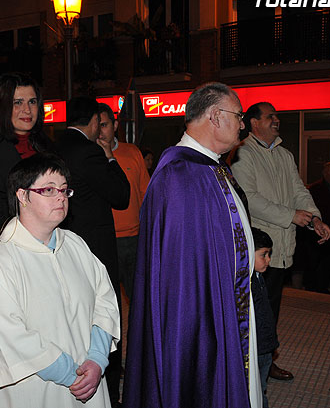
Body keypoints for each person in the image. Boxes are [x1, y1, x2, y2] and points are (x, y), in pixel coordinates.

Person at [124, 82, 262, 408]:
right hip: (198, 317)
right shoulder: (178, 175)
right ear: (215, 116)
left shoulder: (214, 167)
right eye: (238, 116)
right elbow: (179, 279)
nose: (243, 124)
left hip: (228, 301)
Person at [0, 153, 120, 407]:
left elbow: (105, 302)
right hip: (29, 388)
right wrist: (71, 375)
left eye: (64, 190)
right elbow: (8, 334)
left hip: (85, 375)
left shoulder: (76, 246)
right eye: (48, 189)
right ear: (22, 196)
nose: (60, 196)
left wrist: (97, 358)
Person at [229, 101, 330, 382]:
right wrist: (291, 216)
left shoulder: (284, 154)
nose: (276, 120)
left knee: (271, 308)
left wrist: (314, 219)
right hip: (259, 248)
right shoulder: (244, 154)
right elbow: (249, 199)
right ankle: (249, 365)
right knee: (254, 310)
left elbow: (299, 190)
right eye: (269, 116)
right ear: (253, 123)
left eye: (276, 116)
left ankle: (265, 361)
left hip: (283, 246)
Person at [56, 96, 130, 407]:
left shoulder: (53, 147)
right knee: (105, 314)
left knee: (71, 316)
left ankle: (74, 375)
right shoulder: (89, 152)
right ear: (93, 123)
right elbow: (121, 195)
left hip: (61, 245)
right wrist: (110, 155)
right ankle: (109, 391)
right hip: (94, 250)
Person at [0, 72, 52, 257]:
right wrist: (30, 241)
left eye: (32, 102)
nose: (27, 110)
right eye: (18, 103)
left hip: (48, 245)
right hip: (7, 248)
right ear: (3, 107)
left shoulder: (46, 146)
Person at [97, 103, 149, 299]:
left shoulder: (132, 152)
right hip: (105, 239)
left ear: (115, 125)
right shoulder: (90, 158)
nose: (100, 132)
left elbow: (145, 192)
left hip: (134, 238)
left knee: (138, 297)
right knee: (107, 300)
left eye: (104, 125)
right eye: (96, 125)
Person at [251, 227, 279, 408]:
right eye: (264, 255)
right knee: (256, 390)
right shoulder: (245, 284)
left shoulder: (259, 277)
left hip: (265, 346)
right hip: (255, 348)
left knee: (261, 387)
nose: (268, 260)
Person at [306, 162, 330, 293]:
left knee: (329, 261)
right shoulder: (316, 189)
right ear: (324, 173)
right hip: (318, 230)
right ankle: (313, 287)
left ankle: (323, 286)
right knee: (315, 260)